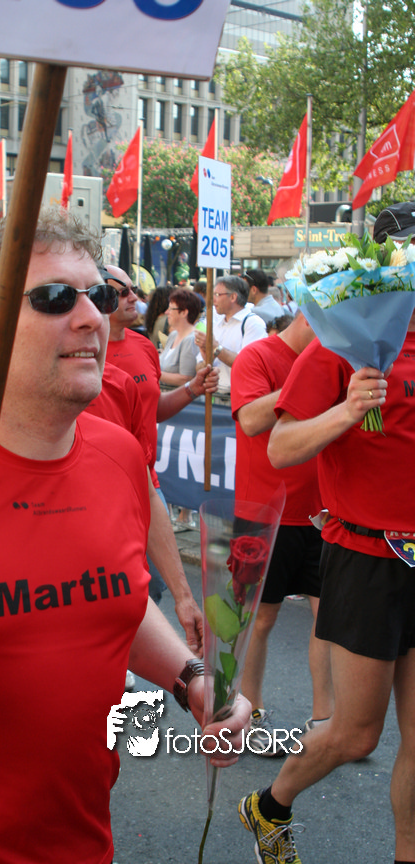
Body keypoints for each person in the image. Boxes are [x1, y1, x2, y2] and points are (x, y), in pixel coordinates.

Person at [0, 207, 250, 864]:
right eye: (56, 297)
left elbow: (108, 597)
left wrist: (192, 679)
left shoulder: (119, 457)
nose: (92, 318)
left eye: (100, 296)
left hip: (83, 843)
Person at [238, 296, 415, 863]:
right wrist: (347, 410)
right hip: (367, 558)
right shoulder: (346, 342)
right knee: (356, 734)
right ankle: (270, 806)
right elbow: (280, 446)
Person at [231, 311, 333, 756]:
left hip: (324, 514)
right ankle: (249, 712)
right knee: (258, 620)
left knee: (328, 621)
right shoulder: (257, 356)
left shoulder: (335, 358)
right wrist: (305, 382)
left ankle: (326, 720)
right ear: (310, 317)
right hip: (264, 514)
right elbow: (251, 420)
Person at [104, 264, 217, 617]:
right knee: (111, 588)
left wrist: (192, 389)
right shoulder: (80, 349)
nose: (134, 297)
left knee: (152, 586)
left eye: (133, 289)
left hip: (147, 482)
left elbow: (151, 412)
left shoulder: (143, 345)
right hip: (101, 486)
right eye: (122, 291)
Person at [194, 275, 267, 397]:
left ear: (233, 297)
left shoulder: (252, 323)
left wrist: (216, 348)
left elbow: (248, 365)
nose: (213, 299)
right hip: (215, 396)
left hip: (239, 397)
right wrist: (207, 356)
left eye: (217, 295)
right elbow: (199, 367)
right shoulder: (216, 324)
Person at [159, 288, 202, 388]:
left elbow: (186, 378)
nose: (166, 312)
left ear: (184, 313)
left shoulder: (191, 340)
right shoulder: (173, 335)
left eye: (171, 309)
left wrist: (153, 373)